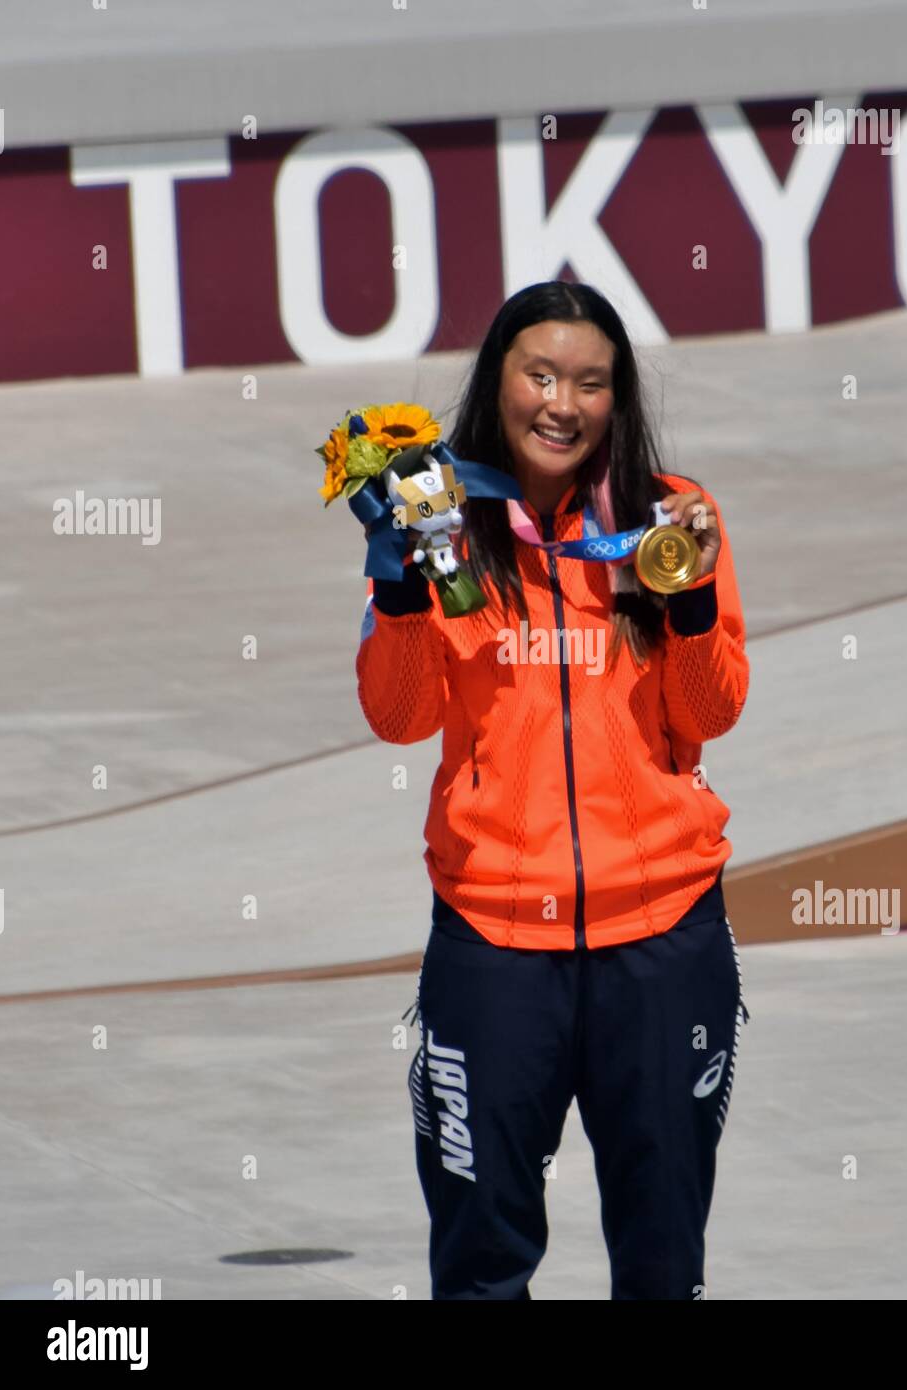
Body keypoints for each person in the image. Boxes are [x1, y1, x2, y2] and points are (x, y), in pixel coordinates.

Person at [355, 280, 751, 1300]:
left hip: (661, 938)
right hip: (496, 947)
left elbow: (710, 715)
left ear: (618, 398)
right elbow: (398, 717)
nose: (561, 403)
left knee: (664, 1259)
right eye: (539, 373)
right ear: (498, 381)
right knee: (483, 1260)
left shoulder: (671, 518)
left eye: (591, 381)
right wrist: (399, 594)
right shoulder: (438, 522)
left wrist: (694, 604)